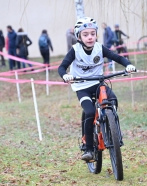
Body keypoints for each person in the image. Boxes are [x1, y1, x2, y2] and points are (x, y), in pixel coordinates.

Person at [57, 17, 136, 161]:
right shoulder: (75, 50)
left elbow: (116, 57)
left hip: (98, 84)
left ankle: (112, 129)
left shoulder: (99, 48)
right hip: (82, 87)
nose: (90, 37)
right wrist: (65, 75)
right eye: (85, 34)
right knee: (90, 111)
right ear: (79, 36)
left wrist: (128, 65)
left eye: (92, 34)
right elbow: (62, 67)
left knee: (112, 100)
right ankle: (88, 149)